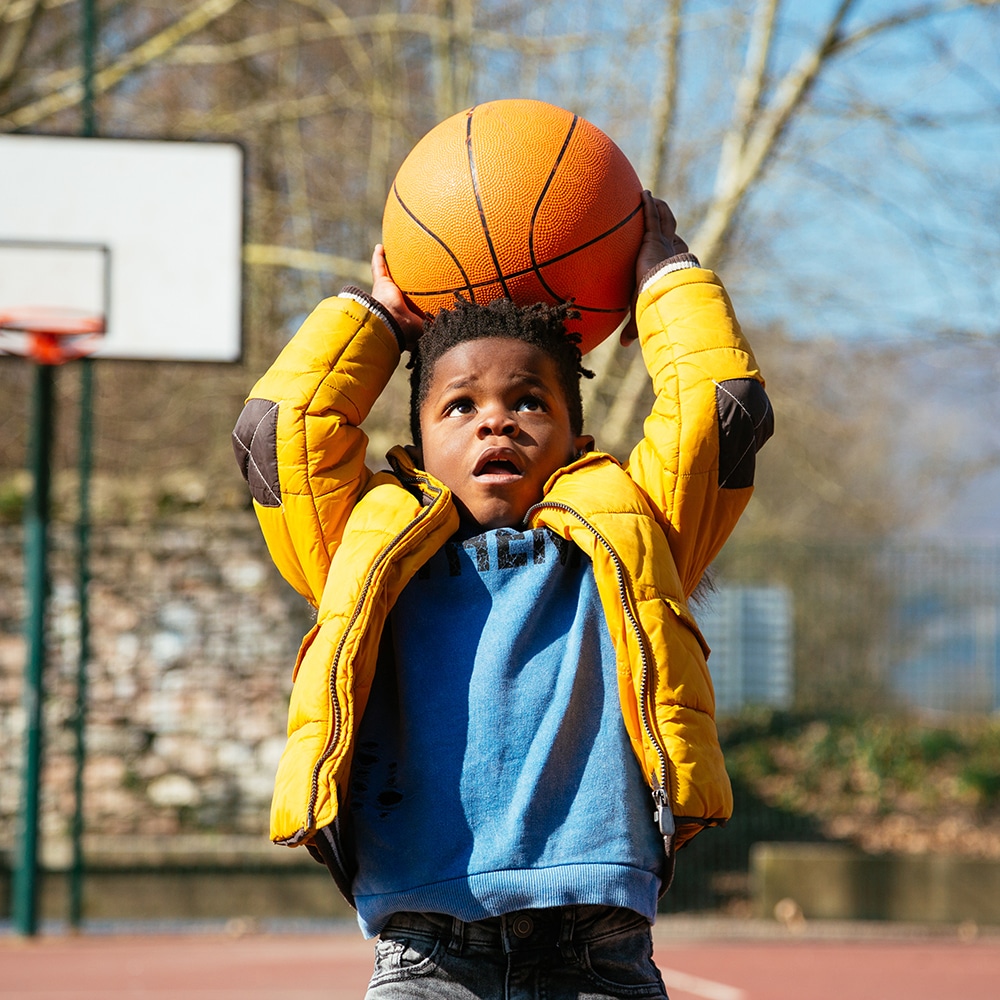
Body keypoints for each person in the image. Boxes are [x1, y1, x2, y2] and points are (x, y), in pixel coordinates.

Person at [233, 191, 773, 999]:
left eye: (529, 401)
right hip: (426, 950)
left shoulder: (632, 531)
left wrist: (667, 281)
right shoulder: (367, 545)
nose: (497, 422)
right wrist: (377, 318)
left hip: (599, 944)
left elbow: (719, 412)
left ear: (575, 440)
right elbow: (279, 432)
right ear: (416, 446)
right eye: (461, 405)